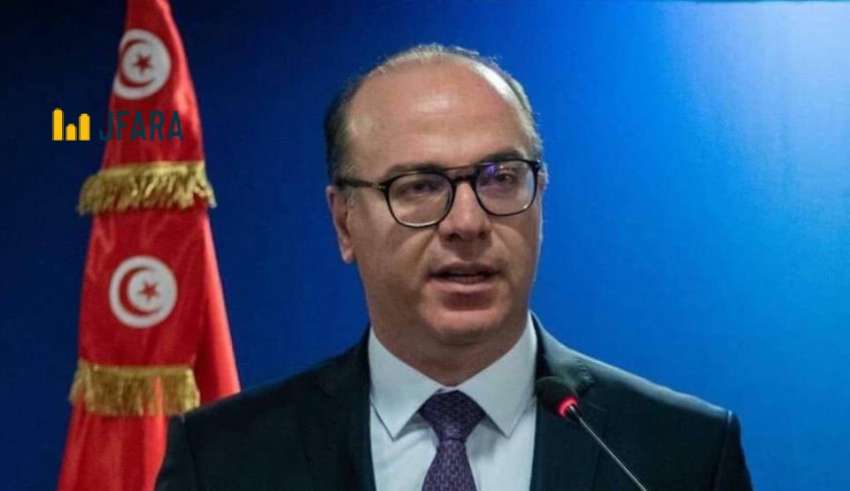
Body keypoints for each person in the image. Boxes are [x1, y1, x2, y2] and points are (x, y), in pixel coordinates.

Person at [155, 44, 752, 491]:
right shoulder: (223, 459)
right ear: (344, 222)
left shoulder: (682, 454)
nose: (468, 221)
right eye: (419, 186)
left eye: (501, 178)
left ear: (541, 197)